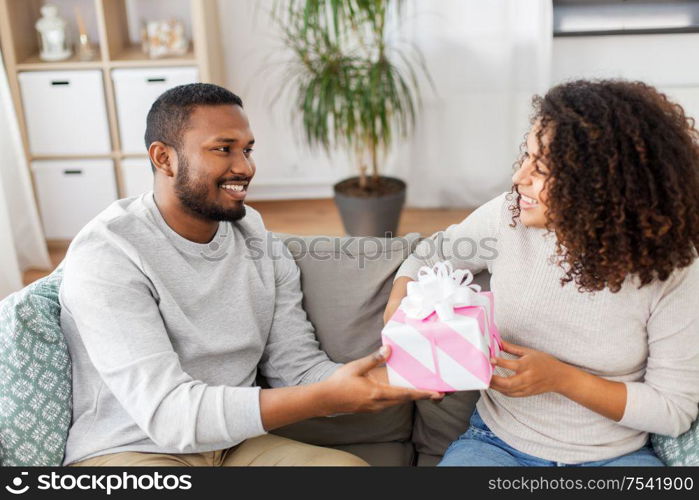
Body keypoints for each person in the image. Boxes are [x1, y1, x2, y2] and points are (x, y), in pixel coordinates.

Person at [60, 83, 441, 467]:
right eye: (223, 149)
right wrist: (326, 397)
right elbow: (167, 415)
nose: (245, 167)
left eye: (247, 149)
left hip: (232, 446)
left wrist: (403, 376)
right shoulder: (109, 253)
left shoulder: (256, 238)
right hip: (130, 449)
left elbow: (297, 368)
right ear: (164, 158)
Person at [384, 79, 699, 466]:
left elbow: (673, 409)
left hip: (615, 457)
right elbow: (430, 255)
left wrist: (561, 379)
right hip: (496, 444)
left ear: (602, 187)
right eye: (526, 157)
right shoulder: (508, 215)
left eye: (543, 169)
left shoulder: (674, 270)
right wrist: (400, 321)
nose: (519, 178)